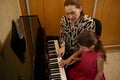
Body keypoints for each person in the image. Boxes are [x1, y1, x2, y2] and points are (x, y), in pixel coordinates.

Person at [57, 0, 96, 72]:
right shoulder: (64, 19)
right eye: (67, 13)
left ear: (80, 8)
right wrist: (63, 46)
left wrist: (71, 58)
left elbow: (85, 46)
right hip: (66, 51)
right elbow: (62, 34)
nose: (70, 17)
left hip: (80, 54)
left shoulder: (89, 23)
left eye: (73, 13)